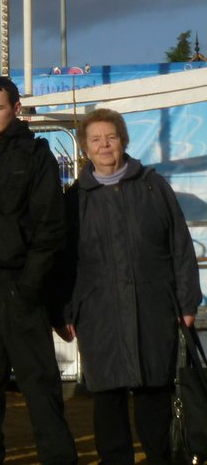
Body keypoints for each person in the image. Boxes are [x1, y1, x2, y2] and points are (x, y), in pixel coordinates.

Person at [62, 107, 201, 464]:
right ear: (85, 149)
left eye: (111, 137)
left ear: (123, 140)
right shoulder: (74, 200)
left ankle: (160, 457)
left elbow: (180, 247)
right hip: (99, 315)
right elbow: (63, 263)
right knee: (107, 403)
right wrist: (66, 310)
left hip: (154, 310)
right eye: (96, 139)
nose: (104, 145)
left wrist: (187, 303)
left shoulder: (154, 187)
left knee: (154, 397)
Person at [0, 75, 76, 464]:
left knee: (40, 388)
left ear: (16, 108)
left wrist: (28, 286)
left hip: (23, 289)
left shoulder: (38, 156)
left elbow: (50, 227)